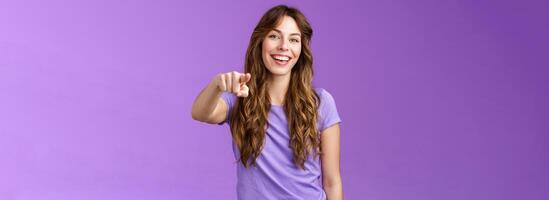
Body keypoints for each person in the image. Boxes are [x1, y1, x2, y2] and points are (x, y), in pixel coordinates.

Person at [191, 5, 343, 200]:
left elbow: (332, 182)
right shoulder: (240, 98)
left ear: (301, 49)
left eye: (294, 40)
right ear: (260, 41)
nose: (284, 46)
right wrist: (216, 85)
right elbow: (200, 113)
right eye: (274, 36)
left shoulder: (322, 102)